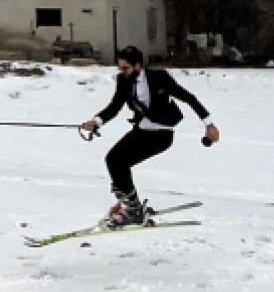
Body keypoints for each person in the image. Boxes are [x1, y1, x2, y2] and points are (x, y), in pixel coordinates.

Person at [81, 46, 220, 228]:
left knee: (117, 162)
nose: (122, 72)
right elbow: (115, 105)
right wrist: (97, 121)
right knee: (114, 160)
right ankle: (131, 206)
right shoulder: (123, 81)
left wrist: (208, 124)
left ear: (138, 66)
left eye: (125, 68)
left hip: (162, 134)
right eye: (120, 68)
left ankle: (132, 209)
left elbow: (188, 97)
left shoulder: (159, 78)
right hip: (143, 130)